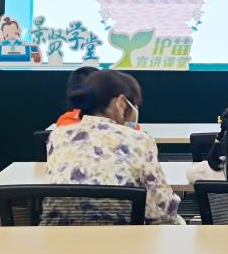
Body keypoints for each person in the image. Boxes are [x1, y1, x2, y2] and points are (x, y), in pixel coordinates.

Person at [45, 70, 181, 224]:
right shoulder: (139, 140)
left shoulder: (57, 136)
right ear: (121, 103)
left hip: (59, 235)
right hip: (122, 236)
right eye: (135, 104)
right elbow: (161, 211)